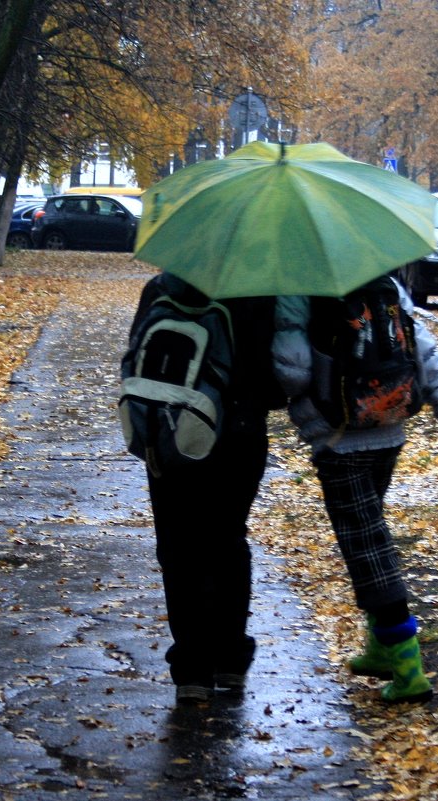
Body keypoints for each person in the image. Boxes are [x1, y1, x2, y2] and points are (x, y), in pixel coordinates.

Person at [271, 277, 438, 704]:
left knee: (369, 551)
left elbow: (292, 374)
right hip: (390, 427)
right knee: (370, 535)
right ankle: (379, 648)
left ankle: (410, 672)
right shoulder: (388, 283)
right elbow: (428, 358)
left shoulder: (298, 290)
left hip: (338, 438)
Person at [127, 272, 285, 704]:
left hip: (171, 433)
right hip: (240, 432)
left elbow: (137, 361)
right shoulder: (261, 292)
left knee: (178, 548)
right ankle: (231, 661)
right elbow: (279, 382)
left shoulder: (163, 289)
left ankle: (192, 670)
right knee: (229, 540)